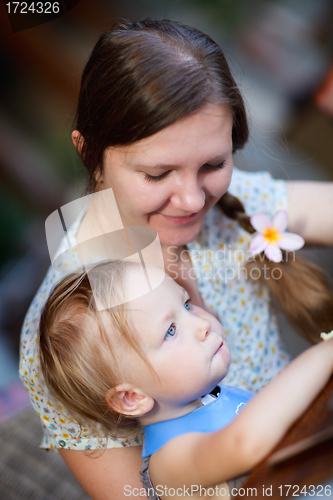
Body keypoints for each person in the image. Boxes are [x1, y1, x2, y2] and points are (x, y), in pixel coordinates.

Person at [19, 18, 333, 500]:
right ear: (89, 153)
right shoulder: (73, 331)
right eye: (157, 173)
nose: (190, 199)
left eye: (213, 164)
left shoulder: (228, 204)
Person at [38, 260, 333, 499]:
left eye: (187, 305)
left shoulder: (215, 397)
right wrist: (323, 355)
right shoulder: (169, 463)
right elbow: (247, 444)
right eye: (170, 330)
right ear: (132, 398)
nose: (203, 323)